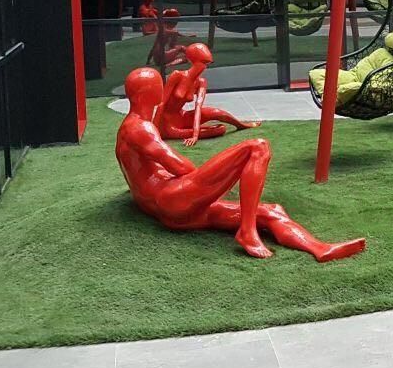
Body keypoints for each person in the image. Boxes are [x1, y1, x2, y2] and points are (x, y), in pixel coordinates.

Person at [115, 67, 365, 261]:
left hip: (175, 210)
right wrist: (217, 179)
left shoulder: (128, 128)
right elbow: (183, 169)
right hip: (172, 201)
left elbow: (137, 178)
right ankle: (247, 231)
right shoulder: (141, 129)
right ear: (154, 93)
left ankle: (320, 248)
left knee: (271, 211)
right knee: (257, 147)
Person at [155, 42, 260, 143]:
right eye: (203, 62)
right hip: (166, 124)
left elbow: (198, 108)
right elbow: (161, 104)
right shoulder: (177, 75)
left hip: (182, 117)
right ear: (193, 61)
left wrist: (195, 135)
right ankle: (163, 131)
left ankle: (241, 125)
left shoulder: (201, 82)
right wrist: (154, 130)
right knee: (219, 130)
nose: (204, 67)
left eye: (207, 63)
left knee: (217, 115)